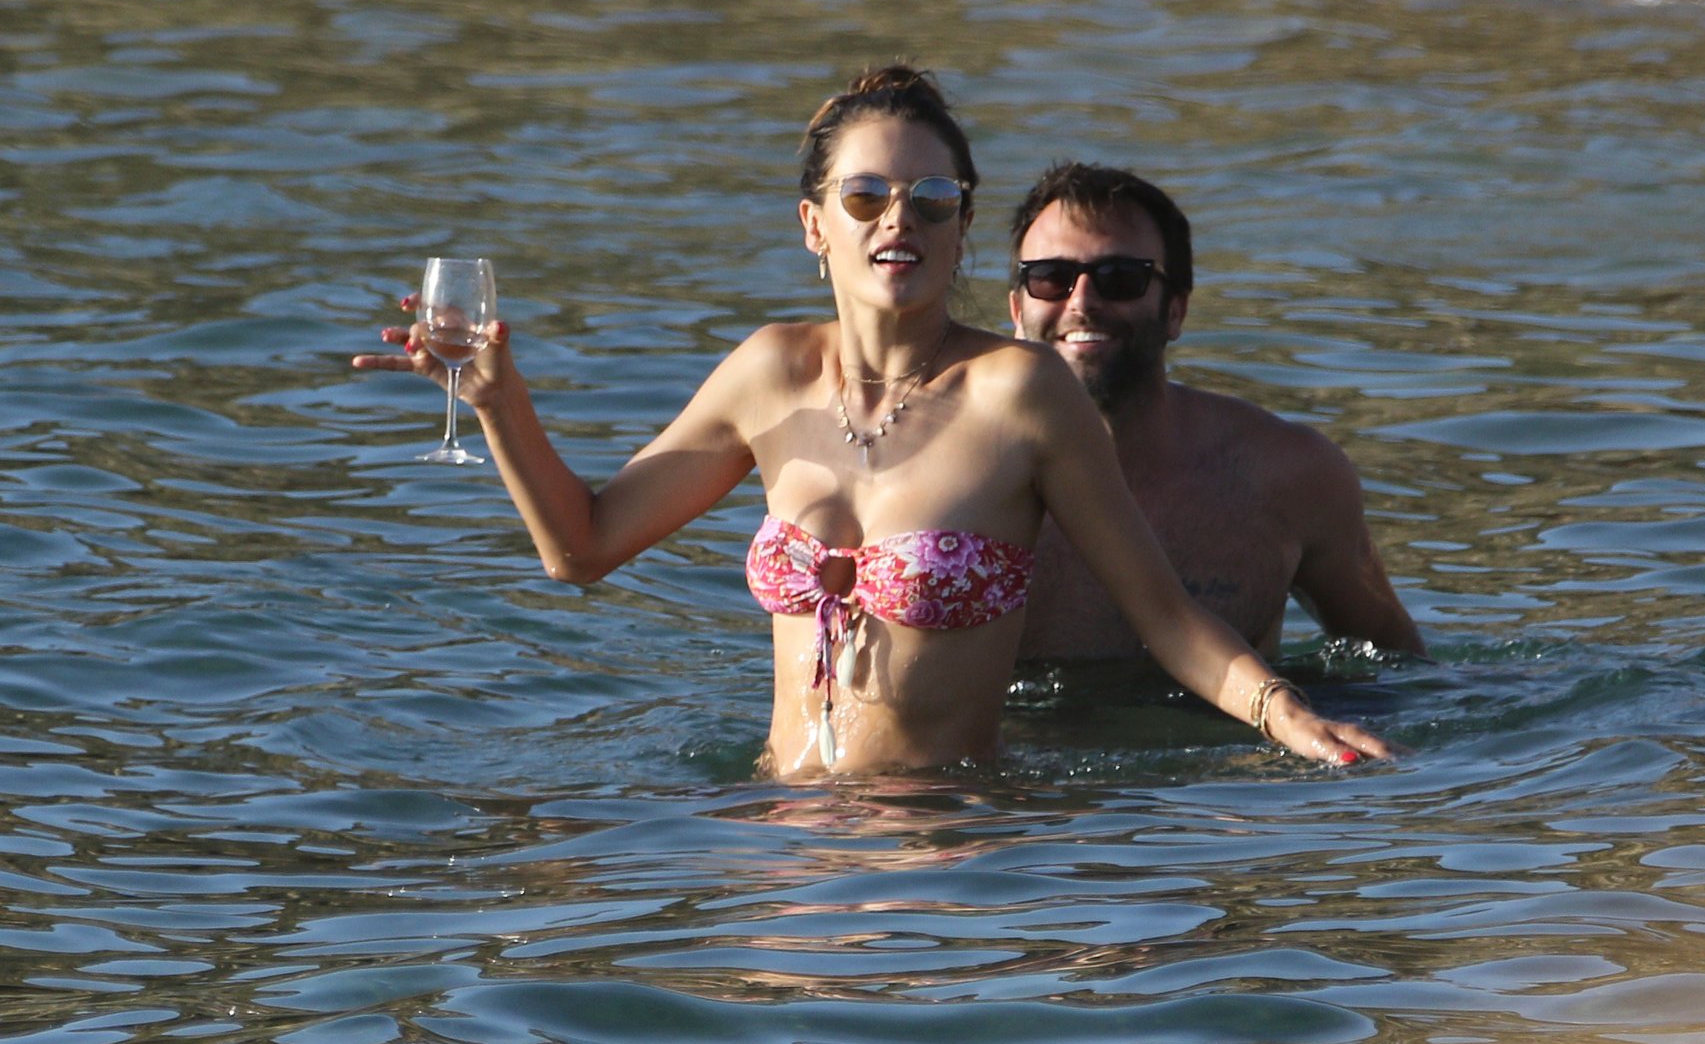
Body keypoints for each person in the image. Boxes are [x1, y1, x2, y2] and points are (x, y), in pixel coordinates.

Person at [354, 67, 1392, 776]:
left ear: (962, 227)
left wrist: (1287, 716)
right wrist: (499, 403)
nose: (900, 217)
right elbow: (580, 549)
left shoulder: (1021, 392)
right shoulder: (768, 373)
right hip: (777, 829)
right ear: (816, 225)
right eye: (866, 196)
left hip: (943, 845)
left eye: (932, 197)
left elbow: (1165, 616)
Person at [1008, 161, 1425, 664]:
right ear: (1017, 311)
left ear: (1176, 310)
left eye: (1120, 278)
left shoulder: (1289, 476)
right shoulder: (962, 476)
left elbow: (1400, 667)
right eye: (1051, 278)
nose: (1082, 302)